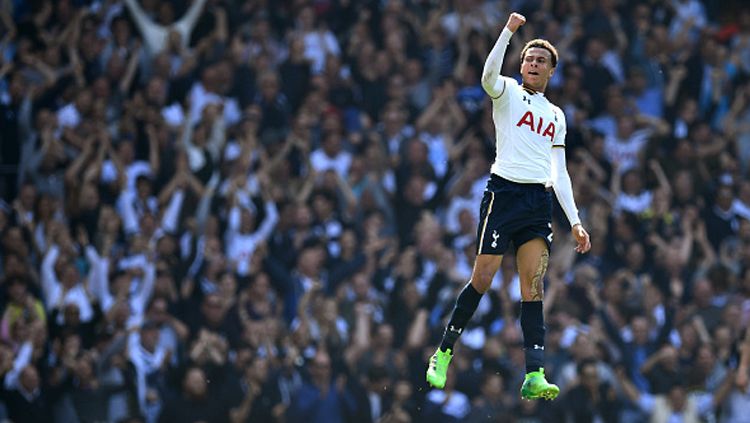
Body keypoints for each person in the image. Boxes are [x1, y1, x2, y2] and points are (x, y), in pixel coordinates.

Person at [426, 12, 591, 401]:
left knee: (533, 287)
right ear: (520, 65)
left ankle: (534, 373)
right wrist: (508, 32)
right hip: (503, 194)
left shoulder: (556, 115)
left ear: (551, 71)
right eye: (529, 59)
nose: (533, 64)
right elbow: (485, 78)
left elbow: (560, 171)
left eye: (540, 61)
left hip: (538, 201)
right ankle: (443, 352)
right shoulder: (507, 92)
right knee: (482, 279)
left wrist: (576, 222)